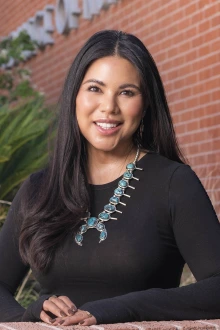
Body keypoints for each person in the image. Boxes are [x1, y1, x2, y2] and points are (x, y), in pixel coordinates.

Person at [0, 30, 220, 327]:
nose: (109, 107)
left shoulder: (173, 183)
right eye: (95, 89)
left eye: (127, 92)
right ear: (74, 95)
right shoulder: (39, 189)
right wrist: (31, 314)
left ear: (145, 105)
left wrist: (119, 309)